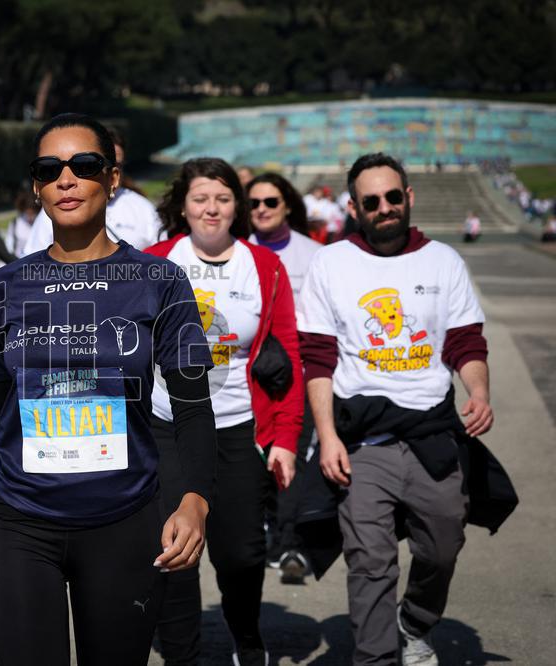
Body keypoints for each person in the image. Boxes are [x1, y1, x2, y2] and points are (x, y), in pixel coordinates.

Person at [0, 113, 217, 665]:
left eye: (84, 165)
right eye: (49, 169)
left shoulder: (160, 282)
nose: (66, 179)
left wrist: (195, 500)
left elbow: (193, 407)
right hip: (18, 525)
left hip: (124, 523)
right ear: (37, 187)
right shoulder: (4, 287)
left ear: (113, 178)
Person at [297, 153, 492, 665]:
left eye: (391, 197)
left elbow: (466, 343)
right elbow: (317, 358)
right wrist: (327, 437)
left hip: (432, 430)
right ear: (355, 208)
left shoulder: (443, 261)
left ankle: (415, 622)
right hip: (364, 438)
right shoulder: (331, 263)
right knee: (370, 559)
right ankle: (377, 657)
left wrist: (479, 391)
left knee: (442, 546)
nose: (383, 208)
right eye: (371, 201)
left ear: (408, 197)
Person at [145, 159, 303, 666]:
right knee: (175, 550)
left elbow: (290, 355)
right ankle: (181, 655)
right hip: (167, 424)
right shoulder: (154, 261)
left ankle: (246, 635)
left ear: (237, 205)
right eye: (200, 199)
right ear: (182, 206)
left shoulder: (265, 266)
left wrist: (285, 438)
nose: (211, 208)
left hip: (236, 425)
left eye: (222, 198)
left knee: (241, 554)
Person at [245, 172, 322, 583]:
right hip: (250, 380)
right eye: (254, 203)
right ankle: (260, 534)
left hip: (300, 374)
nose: (261, 209)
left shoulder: (314, 255)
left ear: (287, 205)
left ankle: (289, 541)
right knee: (256, 458)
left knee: (292, 456)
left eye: (270, 202)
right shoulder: (236, 251)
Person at [21, 132, 163, 253]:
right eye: (86, 166)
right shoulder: (58, 210)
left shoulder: (143, 209)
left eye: (118, 164)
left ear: (114, 176)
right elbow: (31, 264)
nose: (66, 182)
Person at [4, 190, 41, 258]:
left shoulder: (42, 223)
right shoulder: (15, 223)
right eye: (28, 213)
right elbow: (9, 245)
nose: (30, 217)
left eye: (32, 213)